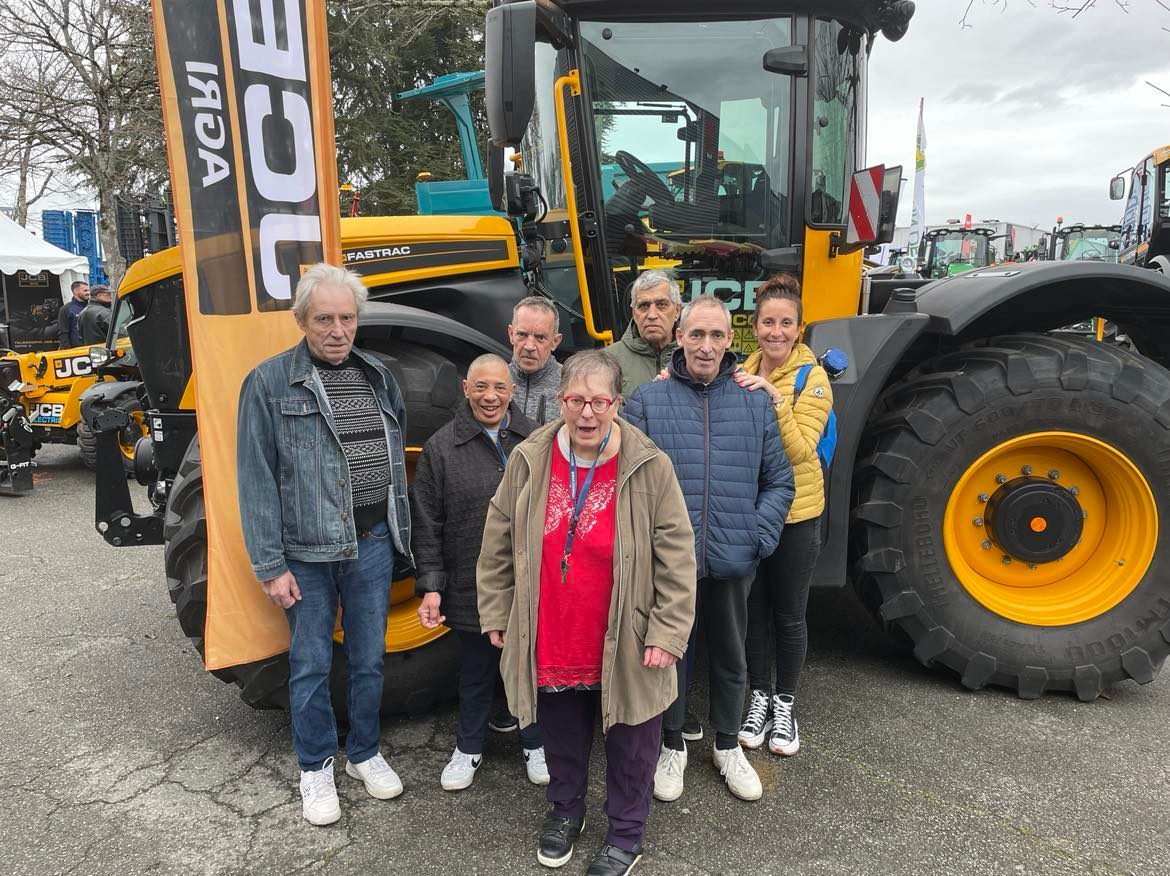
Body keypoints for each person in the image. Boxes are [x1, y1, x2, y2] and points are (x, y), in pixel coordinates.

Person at [478, 351, 696, 876]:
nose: (587, 414)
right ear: (561, 400)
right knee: (561, 732)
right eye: (577, 400)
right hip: (552, 626)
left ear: (617, 403)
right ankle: (565, 810)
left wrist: (668, 630)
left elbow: (678, 554)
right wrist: (497, 609)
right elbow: (498, 536)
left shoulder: (649, 464)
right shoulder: (531, 458)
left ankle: (625, 833)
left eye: (600, 401)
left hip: (627, 632)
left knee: (633, 739)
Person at [236, 263, 411, 826]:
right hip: (306, 555)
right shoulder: (268, 383)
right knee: (310, 663)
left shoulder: (378, 375)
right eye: (325, 319)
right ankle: (315, 766)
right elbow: (255, 476)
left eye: (347, 318)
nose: (338, 330)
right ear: (302, 320)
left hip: (373, 543)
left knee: (368, 659)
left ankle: (363, 751)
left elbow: (394, 457)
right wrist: (269, 564)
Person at [623, 296, 794, 803]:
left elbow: (779, 482)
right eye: (696, 334)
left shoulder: (754, 401)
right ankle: (672, 745)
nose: (706, 345)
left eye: (717, 336)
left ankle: (726, 745)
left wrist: (755, 535)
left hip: (733, 554)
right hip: (670, 562)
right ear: (678, 336)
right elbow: (630, 484)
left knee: (731, 654)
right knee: (669, 654)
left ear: (728, 341)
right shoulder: (647, 402)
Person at [410, 353, 550, 791]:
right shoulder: (441, 447)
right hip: (471, 582)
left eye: (500, 388)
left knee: (531, 668)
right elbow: (427, 521)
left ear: (512, 392)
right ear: (465, 389)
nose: (491, 397)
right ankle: (468, 748)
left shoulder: (538, 441)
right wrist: (431, 586)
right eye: (481, 387)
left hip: (532, 582)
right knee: (475, 672)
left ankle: (535, 742)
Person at [733, 274, 833, 757]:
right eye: (768, 322)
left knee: (789, 614)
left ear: (799, 328)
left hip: (797, 514)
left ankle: (784, 706)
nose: (776, 331)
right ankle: (758, 697)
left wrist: (773, 399)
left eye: (786, 323)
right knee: (753, 612)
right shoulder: (742, 370)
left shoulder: (811, 379)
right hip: (752, 512)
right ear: (756, 325)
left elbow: (800, 451)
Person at [602, 269, 681, 399]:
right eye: (644, 306)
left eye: (661, 305)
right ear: (634, 313)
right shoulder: (607, 361)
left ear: (677, 311)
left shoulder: (694, 356)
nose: (652, 315)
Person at [508, 296, 563, 424]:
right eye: (522, 335)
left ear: (555, 342)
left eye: (540, 338)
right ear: (511, 334)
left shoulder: (572, 385)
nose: (529, 346)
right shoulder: (494, 382)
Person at [57, 280, 89, 348]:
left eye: (88, 290)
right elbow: (63, 332)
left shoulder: (92, 306)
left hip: (94, 349)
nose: (88, 293)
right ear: (76, 291)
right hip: (77, 350)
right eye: (85, 291)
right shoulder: (66, 309)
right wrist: (68, 350)